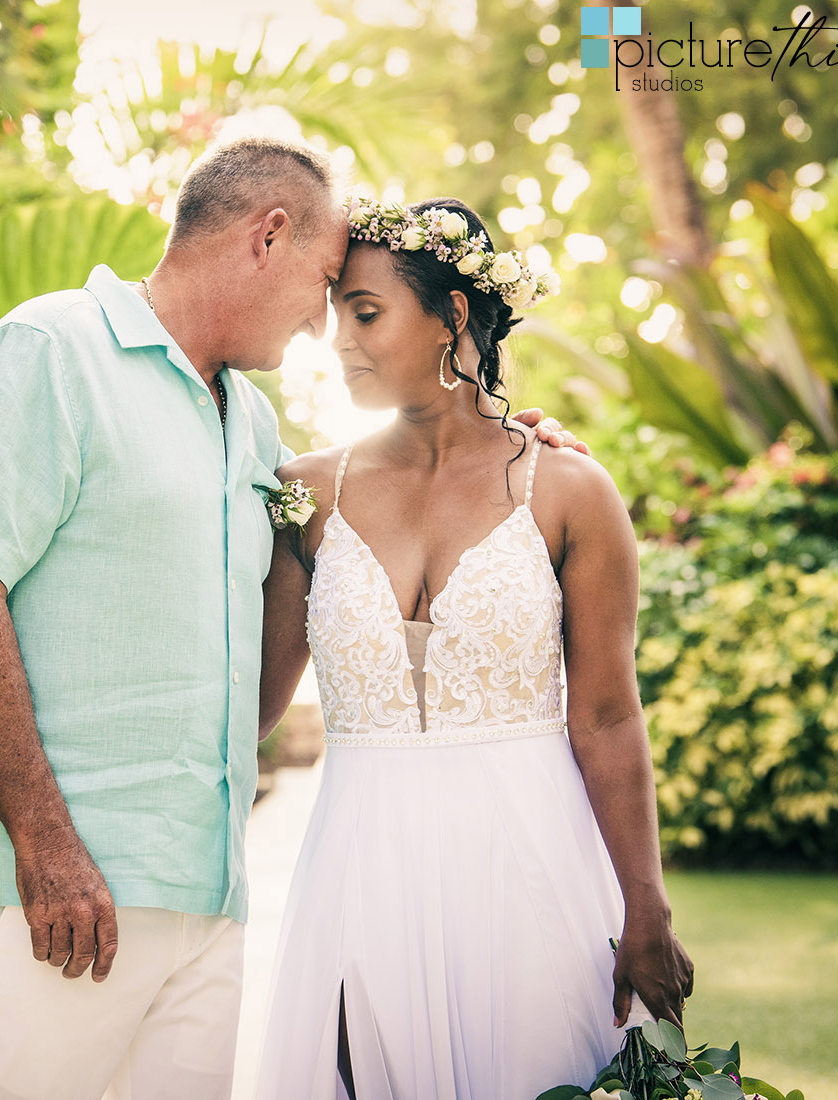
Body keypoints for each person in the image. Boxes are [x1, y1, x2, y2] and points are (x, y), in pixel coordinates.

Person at [0, 139, 571, 1100]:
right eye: (321, 285)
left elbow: (328, 569)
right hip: (55, 896)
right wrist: (45, 844)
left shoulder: (251, 427)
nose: (322, 326)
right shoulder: (54, 350)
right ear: (268, 236)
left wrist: (506, 454)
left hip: (206, 899)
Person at [254, 196, 694, 1100]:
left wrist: (644, 904)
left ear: (454, 315)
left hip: (529, 866)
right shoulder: (304, 496)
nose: (340, 340)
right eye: (336, 311)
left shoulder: (570, 490)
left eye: (366, 312)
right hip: (358, 867)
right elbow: (252, 706)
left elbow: (608, 716)